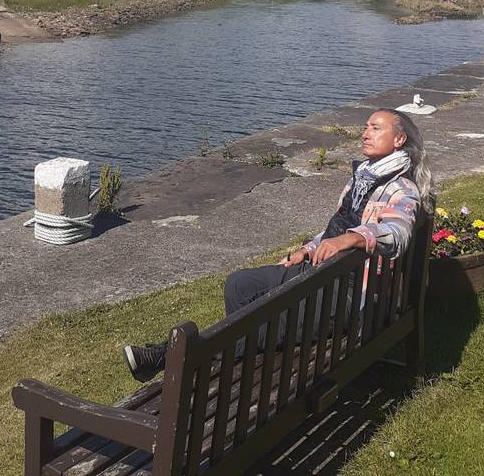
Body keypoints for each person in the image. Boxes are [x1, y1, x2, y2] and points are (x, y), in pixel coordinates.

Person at [124, 109, 433, 383]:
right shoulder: (361, 180)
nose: (365, 133)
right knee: (239, 285)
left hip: (350, 294)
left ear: (399, 140)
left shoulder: (402, 189)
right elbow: (333, 228)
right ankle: (256, 361)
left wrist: (353, 237)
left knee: (257, 328)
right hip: (320, 272)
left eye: (376, 128)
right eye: (365, 126)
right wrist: (310, 249)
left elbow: (397, 233)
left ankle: (168, 355)